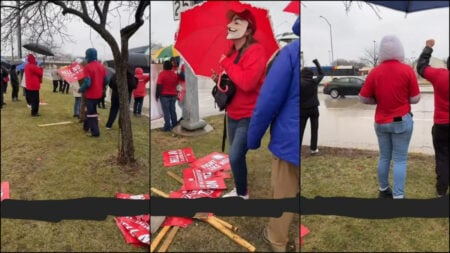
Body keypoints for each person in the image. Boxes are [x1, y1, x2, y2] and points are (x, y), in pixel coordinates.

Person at [247, 16, 300, 252]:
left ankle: (277, 239)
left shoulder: (290, 54)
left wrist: (253, 138)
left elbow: (267, 101)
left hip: (289, 141)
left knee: (284, 193)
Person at [210, 8, 266, 199]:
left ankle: (242, 194)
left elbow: (248, 83)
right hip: (232, 114)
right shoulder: (232, 54)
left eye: (237, 22)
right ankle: (240, 188)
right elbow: (234, 82)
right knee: (236, 157)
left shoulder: (256, 51)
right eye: (231, 22)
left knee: (234, 156)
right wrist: (219, 79)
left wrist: (226, 64)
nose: (230, 25)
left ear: (248, 30)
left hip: (249, 116)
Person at [359, 35, 420, 199]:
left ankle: (383, 189)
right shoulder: (407, 70)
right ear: (400, 50)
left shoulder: (374, 72)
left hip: (381, 121)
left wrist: (377, 100)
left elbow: (363, 98)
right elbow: (415, 98)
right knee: (400, 160)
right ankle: (398, 196)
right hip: (401, 120)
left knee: (384, 156)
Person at [416, 39, 449, 197]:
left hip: (442, 125)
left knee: (442, 157)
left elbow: (421, 67)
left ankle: (441, 191)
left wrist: (428, 48)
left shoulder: (440, 75)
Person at [79, 48, 107, 137]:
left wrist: (81, 89)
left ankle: (95, 132)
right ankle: (86, 127)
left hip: (91, 94)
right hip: (99, 94)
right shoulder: (102, 66)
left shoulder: (87, 67)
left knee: (91, 113)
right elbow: (106, 80)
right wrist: (100, 85)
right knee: (91, 110)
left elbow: (87, 83)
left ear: (88, 56)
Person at [300, 59, 324, 155]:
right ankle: (313, 149)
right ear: (311, 75)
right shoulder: (314, 82)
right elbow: (321, 74)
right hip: (314, 109)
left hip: (302, 110)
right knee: (314, 129)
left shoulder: (298, 82)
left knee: (300, 130)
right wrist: (317, 63)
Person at [155, 60, 179, 131]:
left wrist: (157, 95)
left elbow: (159, 86)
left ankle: (167, 127)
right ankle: (174, 125)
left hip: (164, 96)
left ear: (164, 66)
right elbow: (176, 84)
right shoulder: (175, 75)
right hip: (174, 95)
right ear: (171, 67)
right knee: (173, 111)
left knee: (166, 112)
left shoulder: (162, 74)